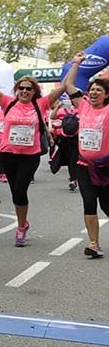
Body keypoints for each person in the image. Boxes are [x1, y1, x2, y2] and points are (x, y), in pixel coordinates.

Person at [0, 50, 75, 246]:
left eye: (29, 88)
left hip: (29, 155)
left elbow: (65, 86)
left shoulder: (41, 104)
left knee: (20, 190)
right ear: (17, 89)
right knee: (16, 191)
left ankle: (21, 227)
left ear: (34, 91)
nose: (24, 91)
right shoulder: (8, 102)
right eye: (21, 88)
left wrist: (74, 64)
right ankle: (22, 223)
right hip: (8, 153)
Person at [65, 56, 109, 257]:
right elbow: (69, 84)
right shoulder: (83, 106)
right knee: (89, 202)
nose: (93, 92)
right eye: (91, 89)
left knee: (107, 204)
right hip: (84, 165)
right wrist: (76, 63)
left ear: (106, 95)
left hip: (106, 167)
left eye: (99, 90)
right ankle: (93, 243)